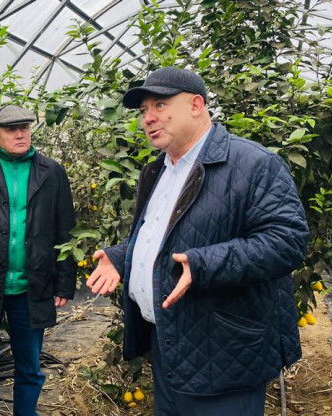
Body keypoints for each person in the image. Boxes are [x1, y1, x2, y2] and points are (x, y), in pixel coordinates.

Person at [86, 67, 309, 415]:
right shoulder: (158, 170)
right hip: (170, 344)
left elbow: (287, 241)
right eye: (144, 110)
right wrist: (121, 256)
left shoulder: (255, 164)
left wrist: (204, 265)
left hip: (225, 354)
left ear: (195, 105)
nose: (148, 118)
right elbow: (160, 236)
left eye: (160, 105)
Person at [0, 104, 76, 416]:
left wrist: (64, 281)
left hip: (32, 284)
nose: (20, 134)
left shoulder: (51, 172)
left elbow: (65, 228)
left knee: (30, 366)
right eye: (11, 129)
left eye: (24, 127)